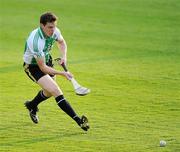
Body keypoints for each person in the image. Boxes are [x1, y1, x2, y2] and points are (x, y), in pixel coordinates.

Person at [23, 12, 89, 131]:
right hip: (33, 67)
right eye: (50, 27)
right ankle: (79, 121)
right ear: (42, 26)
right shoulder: (36, 41)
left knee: (48, 92)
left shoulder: (55, 31)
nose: (53, 30)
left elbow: (62, 42)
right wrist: (63, 73)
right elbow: (42, 68)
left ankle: (32, 105)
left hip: (46, 61)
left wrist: (64, 57)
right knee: (56, 91)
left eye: (54, 26)